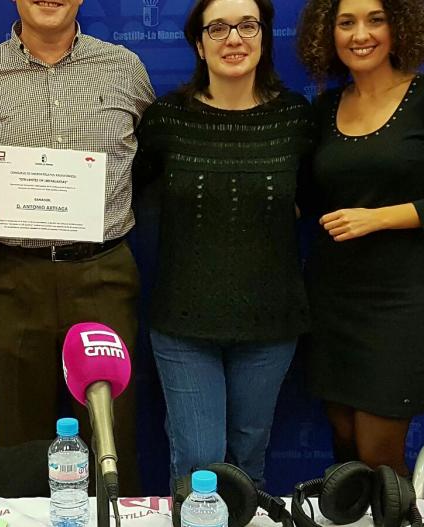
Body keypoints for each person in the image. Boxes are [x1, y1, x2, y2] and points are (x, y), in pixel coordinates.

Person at [0, 0, 154, 493]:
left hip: (103, 274)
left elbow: (153, 157)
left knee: (111, 431)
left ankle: (112, 519)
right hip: (14, 277)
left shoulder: (125, 69)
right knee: (19, 433)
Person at [296, 0, 424, 475]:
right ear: (329, 34)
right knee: (345, 445)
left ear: (398, 26)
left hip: (397, 301)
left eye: (375, 20)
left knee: (379, 453)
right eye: (346, 23)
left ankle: (397, 511)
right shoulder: (323, 109)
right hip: (330, 298)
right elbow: (306, 199)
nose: (360, 34)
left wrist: (382, 218)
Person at [133, 0, 312, 491]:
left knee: (249, 457)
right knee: (199, 463)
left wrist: (411, 219)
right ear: (199, 43)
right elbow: (119, 191)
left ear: (264, 36)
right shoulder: (167, 118)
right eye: (217, 28)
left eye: (247, 25)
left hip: (271, 322)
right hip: (184, 322)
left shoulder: (296, 117)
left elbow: (328, 193)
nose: (234, 38)